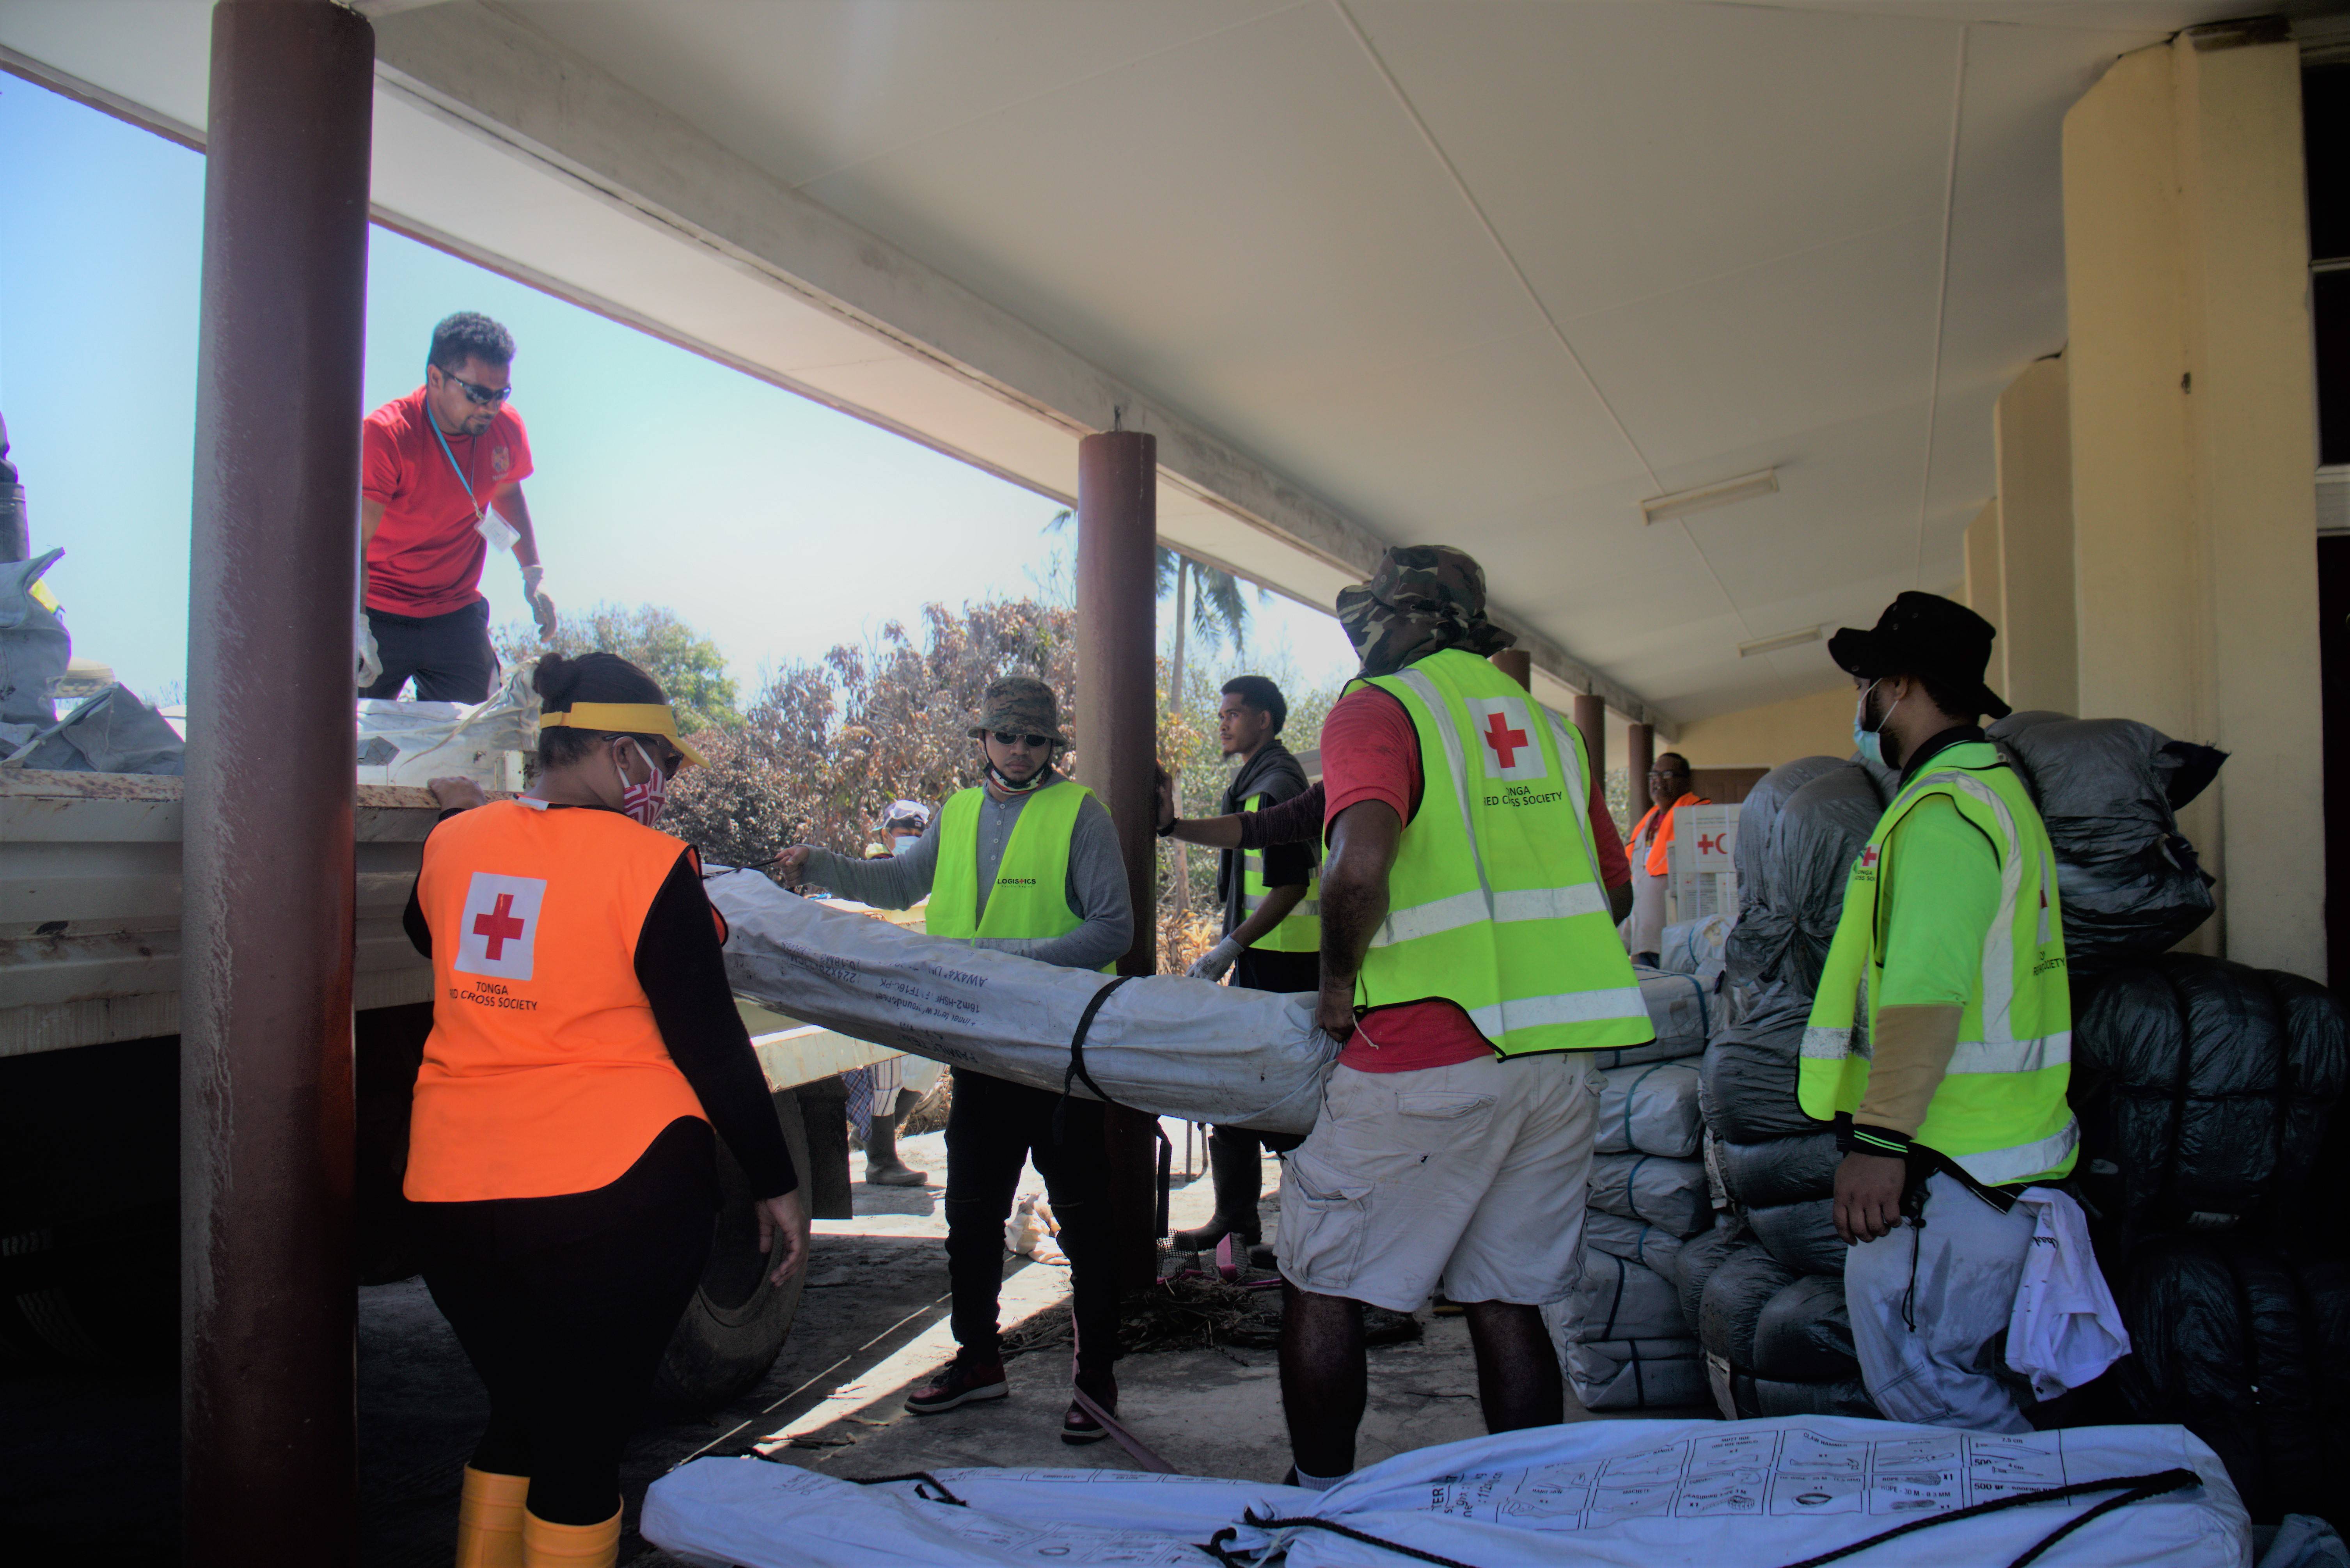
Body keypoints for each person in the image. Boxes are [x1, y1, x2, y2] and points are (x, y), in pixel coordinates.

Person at [402, 651, 808, 1568]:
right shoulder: (652, 867)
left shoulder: (455, 844)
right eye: (658, 765)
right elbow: (709, 1044)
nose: (661, 788)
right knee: (582, 1446)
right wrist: (775, 1183)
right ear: (622, 754)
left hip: (453, 1196)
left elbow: (430, 928)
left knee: (517, 1417)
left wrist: (476, 822)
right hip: (611, 1196)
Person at [1264, 545, 1654, 1490]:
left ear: (1401, 620)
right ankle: (1519, 1504)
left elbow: (1358, 867)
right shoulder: (1551, 731)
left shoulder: (1380, 708)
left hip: (1420, 1055)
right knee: (1506, 1298)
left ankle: (1320, 1503)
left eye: (1369, 622)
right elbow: (1610, 891)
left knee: (1321, 1280)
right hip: (1555, 1069)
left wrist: (1332, 989)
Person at [774, 677, 1134, 1443]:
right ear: (983, 740)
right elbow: (903, 882)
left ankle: (1096, 1379)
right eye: (1006, 735)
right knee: (971, 1216)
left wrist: (1007, 959)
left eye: (1035, 739)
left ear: (1052, 747)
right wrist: (820, 865)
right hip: (980, 1051)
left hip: (1058, 1049)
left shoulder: (1081, 814)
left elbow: (1112, 929)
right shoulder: (960, 812)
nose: (1019, 749)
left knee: (1084, 1221)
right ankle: (978, 1361)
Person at [1800, 591, 2076, 1433]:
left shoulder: (1945, 813)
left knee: (1935, 1397)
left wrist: (1880, 1143)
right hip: (1988, 1161)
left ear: (1904, 686)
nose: (1864, 706)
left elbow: (1926, 992)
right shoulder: (1993, 793)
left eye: (1871, 684)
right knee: (1954, 1396)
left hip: (1944, 1168)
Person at [1163, 675, 1319, 1254]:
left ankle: (1275, 1227)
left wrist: (1230, 948)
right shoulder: (1258, 782)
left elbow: (1290, 886)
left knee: (1264, 1093)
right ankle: (1240, 1221)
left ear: (1265, 722)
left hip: (1281, 969)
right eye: (1222, 713)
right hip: (1273, 963)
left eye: (1235, 713)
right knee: (1237, 1088)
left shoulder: (1272, 789)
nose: (1224, 723)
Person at [359, 311, 557, 702]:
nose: (491, 407)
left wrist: (533, 574)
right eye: (479, 394)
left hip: (454, 609)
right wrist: (354, 623)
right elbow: (355, 542)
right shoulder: (387, 435)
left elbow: (507, 495)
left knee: (484, 739)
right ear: (436, 378)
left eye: (502, 394)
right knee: (347, 741)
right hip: (378, 609)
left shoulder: (505, 428)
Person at [848, 798, 939, 1188]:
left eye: (921, 834)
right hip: (879, 987)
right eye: (906, 833)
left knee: (927, 1067)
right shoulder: (875, 872)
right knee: (885, 1068)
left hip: (920, 986)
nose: (915, 840)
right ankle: (882, 1160)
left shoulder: (934, 874)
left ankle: (868, 1135)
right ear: (886, 836)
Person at [1621, 752, 1709, 965]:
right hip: (1644, 939)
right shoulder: (1647, 821)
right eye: (1654, 775)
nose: (1658, 780)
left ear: (1687, 780)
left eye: (1667, 774)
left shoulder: (1699, 814)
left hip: (1679, 940)